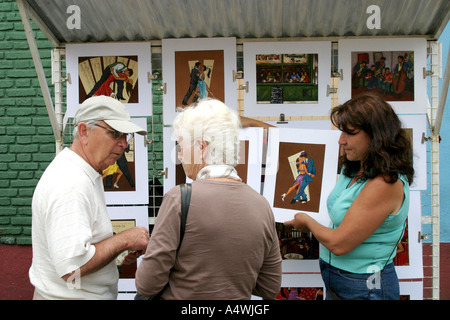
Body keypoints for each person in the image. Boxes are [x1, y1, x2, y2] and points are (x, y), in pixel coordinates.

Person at [135, 98, 282, 300]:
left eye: (181, 145)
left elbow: (146, 284)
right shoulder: (261, 204)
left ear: (202, 146)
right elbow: (269, 287)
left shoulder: (179, 198)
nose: (179, 155)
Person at [284, 92, 414, 300]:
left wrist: (307, 221)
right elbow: (296, 146)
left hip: (364, 285)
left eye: (350, 133)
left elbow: (339, 244)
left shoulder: (384, 183)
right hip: (341, 279)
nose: (341, 141)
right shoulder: (357, 168)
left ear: (376, 135)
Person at [29, 96, 150, 300]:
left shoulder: (79, 171)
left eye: (126, 136)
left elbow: (80, 248)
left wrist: (117, 254)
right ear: (84, 131)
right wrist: (124, 240)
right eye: (115, 133)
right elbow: (71, 267)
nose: (123, 144)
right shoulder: (71, 182)